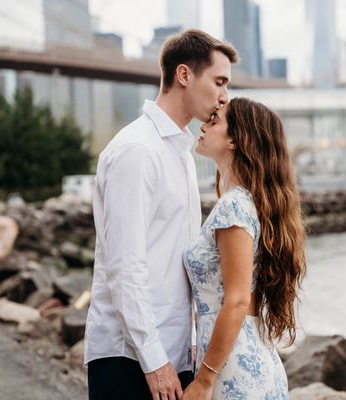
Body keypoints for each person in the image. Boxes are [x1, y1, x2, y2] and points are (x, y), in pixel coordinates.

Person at [84, 29, 238, 400]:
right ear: (184, 75)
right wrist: (154, 361)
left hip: (172, 352)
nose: (224, 97)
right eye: (218, 82)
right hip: (130, 358)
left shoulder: (181, 152)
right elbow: (125, 266)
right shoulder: (138, 151)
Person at [182, 98, 307, 399]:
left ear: (235, 140)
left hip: (233, 369)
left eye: (215, 121)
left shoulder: (234, 207)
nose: (203, 126)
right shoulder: (248, 204)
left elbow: (237, 300)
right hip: (248, 357)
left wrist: (203, 380)